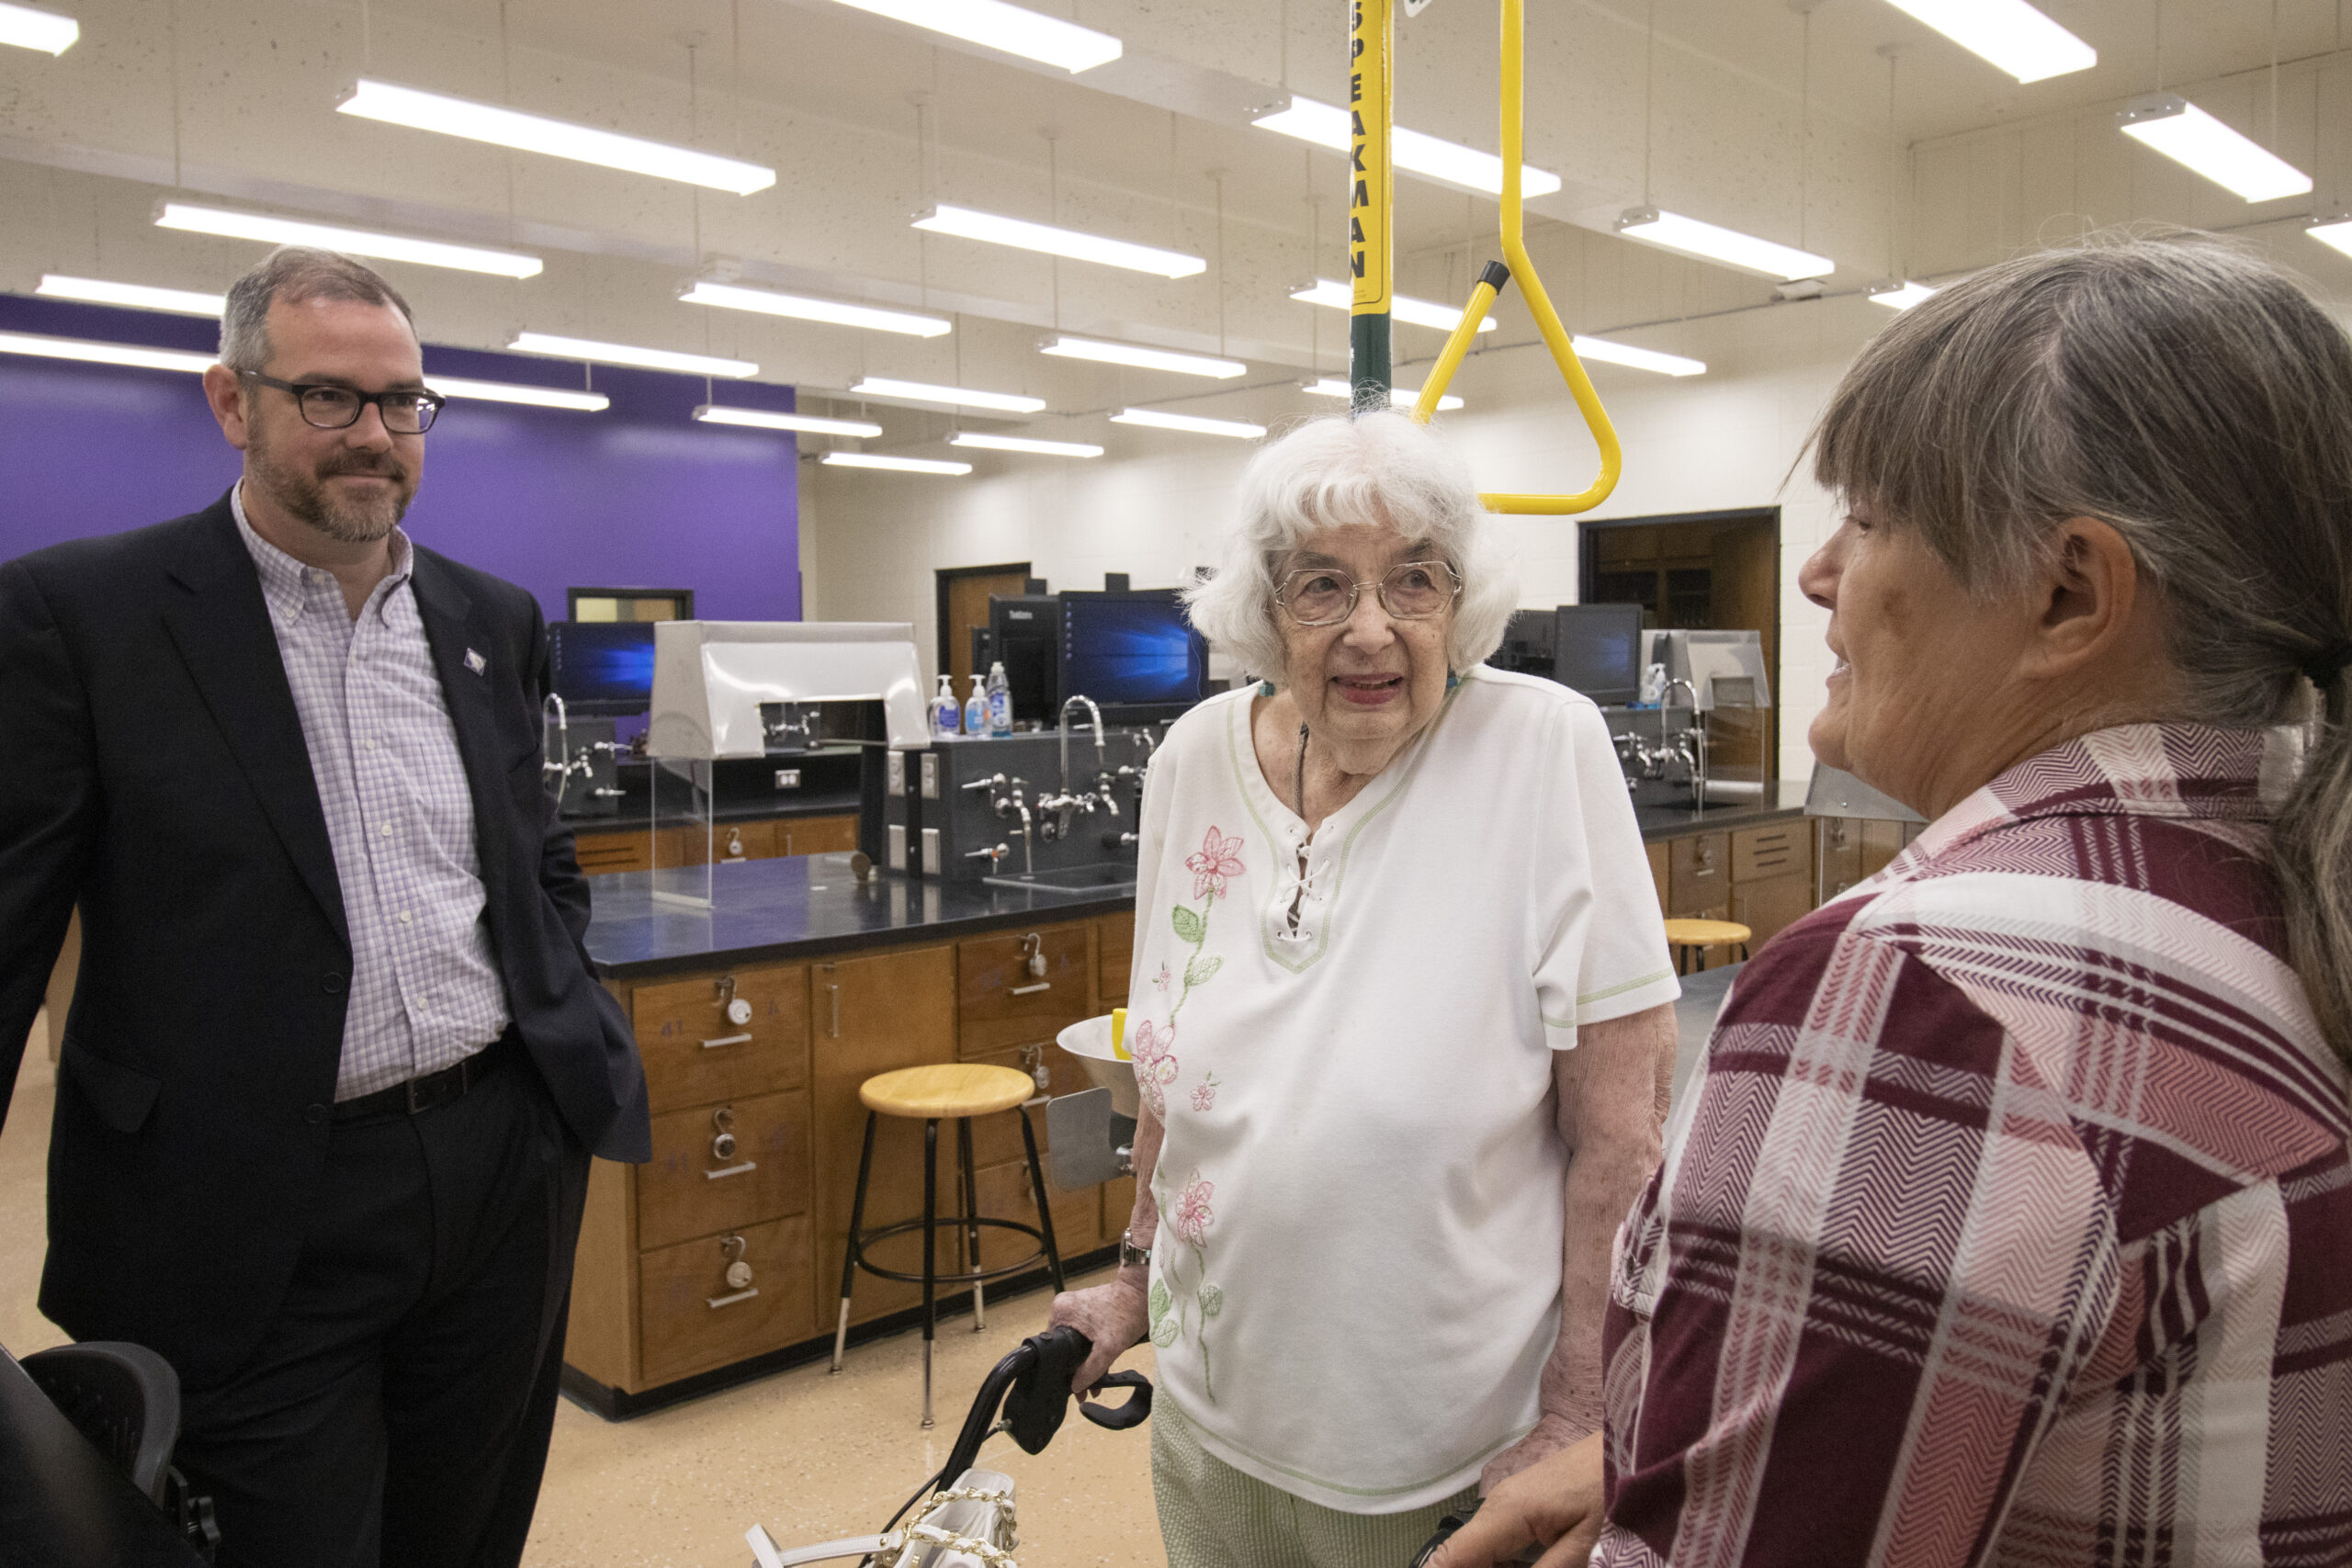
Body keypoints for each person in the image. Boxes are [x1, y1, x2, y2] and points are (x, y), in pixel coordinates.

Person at [1441, 232, 2352, 1568]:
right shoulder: (2286, 883)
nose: (1818, 574)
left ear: (2067, 593)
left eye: (1866, 518)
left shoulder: (1931, 997)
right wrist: (1685, 1441)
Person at [0, 246, 652, 1567]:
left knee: (466, 1531)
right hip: (241, 1200)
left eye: (403, 400)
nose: (374, 434)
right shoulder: (85, 614)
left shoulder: (489, 616)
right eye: (329, 398)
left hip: (498, 1165)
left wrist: (558, 1027)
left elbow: (532, 859)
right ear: (231, 402)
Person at [1050, 410, 1681, 1567]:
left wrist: (1583, 1412)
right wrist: (1134, 1278)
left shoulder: (1542, 751)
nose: (1371, 630)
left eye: (1415, 581)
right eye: (1322, 588)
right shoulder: (1192, 756)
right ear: (1263, 609)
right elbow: (1170, 1072)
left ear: (1463, 602)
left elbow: (1622, 1137)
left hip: (1439, 1460)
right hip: (1207, 1418)